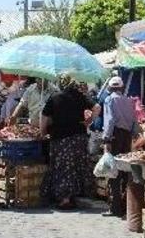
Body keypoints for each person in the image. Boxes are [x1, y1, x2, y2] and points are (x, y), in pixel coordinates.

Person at [40, 73, 101, 210]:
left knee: (63, 168)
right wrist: (88, 122)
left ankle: (65, 199)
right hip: (79, 137)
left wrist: (43, 133)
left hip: (60, 138)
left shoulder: (55, 97)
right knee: (77, 166)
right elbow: (97, 107)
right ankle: (79, 194)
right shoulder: (80, 97)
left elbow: (44, 117)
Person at [100, 76, 139, 217]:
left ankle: (115, 208)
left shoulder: (109, 100)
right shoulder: (129, 101)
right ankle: (125, 206)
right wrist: (135, 134)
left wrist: (106, 139)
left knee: (113, 170)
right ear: (121, 87)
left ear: (110, 88)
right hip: (127, 136)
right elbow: (135, 120)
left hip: (115, 135)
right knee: (124, 170)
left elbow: (110, 120)